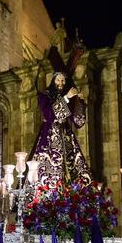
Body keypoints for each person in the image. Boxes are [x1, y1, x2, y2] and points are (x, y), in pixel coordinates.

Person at [29, 50, 92, 189]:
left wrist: (80, 103)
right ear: (53, 80)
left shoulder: (69, 98)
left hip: (67, 137)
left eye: (63, 80)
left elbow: (79, 122)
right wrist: (66, 98)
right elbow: (49, 115)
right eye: (58, 79)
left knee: (74, 170)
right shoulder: (44, 96)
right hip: (49, 137)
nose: (61, 83)